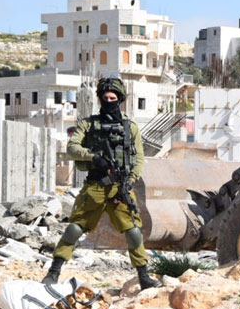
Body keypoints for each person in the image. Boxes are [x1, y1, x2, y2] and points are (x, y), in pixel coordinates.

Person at [41, 76, 161, 290]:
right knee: (74, 230)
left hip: (120, 187)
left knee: (133, 231)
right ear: (99, 99)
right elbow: (72, 148)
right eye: (105, 97)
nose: (109, 101)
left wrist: (131, 179)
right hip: (95, 186)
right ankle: (54, 272)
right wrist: (93, 157)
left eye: (113, 97)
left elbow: (139, 158)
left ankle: (143, 276)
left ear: (120, 99)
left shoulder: (130, 128)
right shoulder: (88, 124)